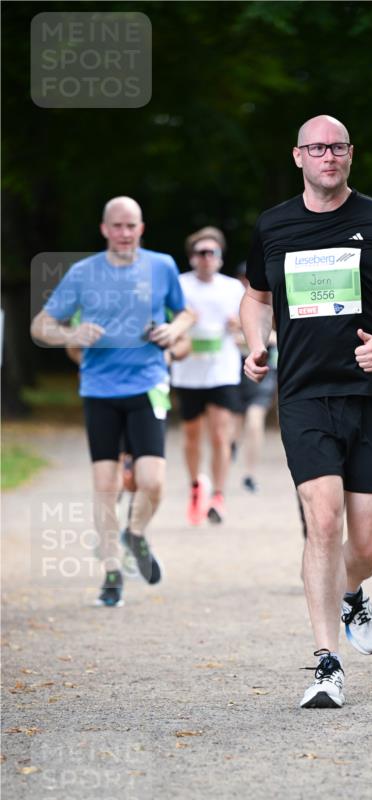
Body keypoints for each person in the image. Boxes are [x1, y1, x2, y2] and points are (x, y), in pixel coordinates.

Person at [240, 114, 372, 709]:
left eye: (339, 147)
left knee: (369, 544)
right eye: (317, 147)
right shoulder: (273, 225)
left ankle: (351, 590)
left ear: (350, 156)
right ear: (298, 156)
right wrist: (256, 342)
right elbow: (255, 297)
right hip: (303, 394)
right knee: (323, 521)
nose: (328, 156)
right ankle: (327, 663)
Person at [31, 196, 194, 607]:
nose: (125, 233)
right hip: (99, 390)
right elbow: (41, 324)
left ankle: (134, 533)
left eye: (132, 226)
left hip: (149, 385)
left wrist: (174, 330)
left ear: (142, 228)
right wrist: (70, 334)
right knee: (104, 487)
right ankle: (111, 573)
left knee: (152, 482)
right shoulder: (83, 273)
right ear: (104, 229)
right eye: (117, 226)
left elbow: (187, 313)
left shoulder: (162, 266)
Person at [171, 227, 246, 525]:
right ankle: (195, 487)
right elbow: (165, 320)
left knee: (219, 433)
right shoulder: (179, 286)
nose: (207, 258)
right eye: (201, 252)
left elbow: (247, 323)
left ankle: (219, 495)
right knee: (191, 436)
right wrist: (183, 321)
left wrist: (237, 323)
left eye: (212, 252)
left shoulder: (232, 288)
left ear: (220, 257)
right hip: (188, 369)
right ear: (191, 258)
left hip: (222, 368)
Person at [233, 261, 278, 494]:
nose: (246, 283)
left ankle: (250, 473)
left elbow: (279, 337)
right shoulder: (229, 298)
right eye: (244, 279)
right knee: (235, 421)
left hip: (263, 365)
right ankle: (231, 449)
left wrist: (254, 339)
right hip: (232, 368)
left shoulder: (270, 300)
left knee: (254, 417)